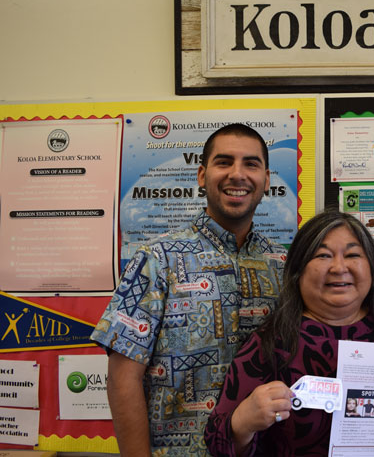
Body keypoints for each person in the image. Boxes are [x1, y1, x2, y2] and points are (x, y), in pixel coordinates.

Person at [92, 124, 287, 456]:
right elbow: (123, 378)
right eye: (224, 162)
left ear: (266, 179)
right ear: (202, 175)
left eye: (251, 164)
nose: (237, 175)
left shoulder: (282, 266)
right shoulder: (156, 260)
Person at [204, 210, 374, 456]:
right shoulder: (271, 342)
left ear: (372, 268)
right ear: (298, 271)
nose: (339, 267)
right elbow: (217, 442)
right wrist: (242, 422)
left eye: (352, 255)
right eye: (323, 255)